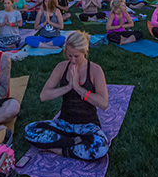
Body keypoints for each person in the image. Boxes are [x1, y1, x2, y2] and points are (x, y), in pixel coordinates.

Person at [24, 31, 110, 160]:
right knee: (30, 130)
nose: (73, 60)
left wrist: (78, 88)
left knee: (100, 147)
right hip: (64, 124)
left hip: (87, 125)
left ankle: (58, 148)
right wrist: (68, 87)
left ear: (84, 52)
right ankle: (74, 144)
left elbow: (103, 104)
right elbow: (44, 95)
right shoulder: (62, 67)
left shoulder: (95, 70)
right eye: (69, 55)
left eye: (76, 56)